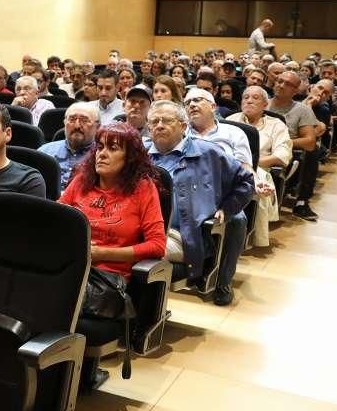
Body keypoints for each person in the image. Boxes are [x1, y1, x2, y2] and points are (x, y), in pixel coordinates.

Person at [147, 100, 254, 306]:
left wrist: (228, 207)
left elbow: (245, 181)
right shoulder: (138, 154)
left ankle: (142, 320)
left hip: (179, 234)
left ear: (184, 126)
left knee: (125, 253)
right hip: (138, 228)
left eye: (167, 120)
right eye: (154, 121)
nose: (159, 125)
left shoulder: (208, 153)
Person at [59, 123, 166, 281]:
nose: (102, 154)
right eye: (100, 147)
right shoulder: (82, 179)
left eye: (113, 148)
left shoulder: (143, 188)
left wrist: (101, 253)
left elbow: (157, 245)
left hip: (107, 278)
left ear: (130, 158)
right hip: (69, 265)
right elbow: (57, 222)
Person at [226, 86, 292, 247]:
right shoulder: (230, 120)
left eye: (255, 98)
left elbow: (282, 155)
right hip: (228, 167)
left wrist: (252, 163)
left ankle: (251, 235)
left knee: (256, 179)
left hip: (261, 169)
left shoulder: (276, 125)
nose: (249, 100)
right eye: (245, 97)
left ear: (265, 104)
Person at [269, 71, 320, 220]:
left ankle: (302, 201)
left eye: (288, 84)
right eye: (279, 81)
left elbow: (310, 142)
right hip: (260, 146)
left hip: (285, 150)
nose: (281, 85)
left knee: (313, 151)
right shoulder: (262, 102)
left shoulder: (301, 110)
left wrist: (283, 143)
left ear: (296, 90)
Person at [183, 88, 253, 172]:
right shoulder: (180, 134)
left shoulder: (234, 132)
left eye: (197, 100)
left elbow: (245, 168)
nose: (191, 105)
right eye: (187, 103)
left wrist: (257, 182)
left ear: (213, 107)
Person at [38, 102, 100, 190]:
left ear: (98, 127)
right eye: (72, 119)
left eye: (84, 120)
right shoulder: (44, 152)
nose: (77, 126)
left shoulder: (102, 157)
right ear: (64, 123)